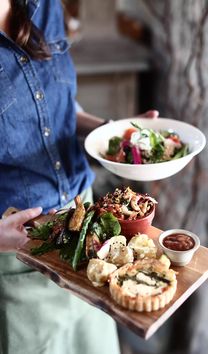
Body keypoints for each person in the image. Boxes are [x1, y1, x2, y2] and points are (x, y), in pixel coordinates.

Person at [0, 1, 159, 353]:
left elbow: (58, 108)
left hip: (90, 237)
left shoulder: (43, 7)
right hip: (18, 258)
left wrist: (110, 133)